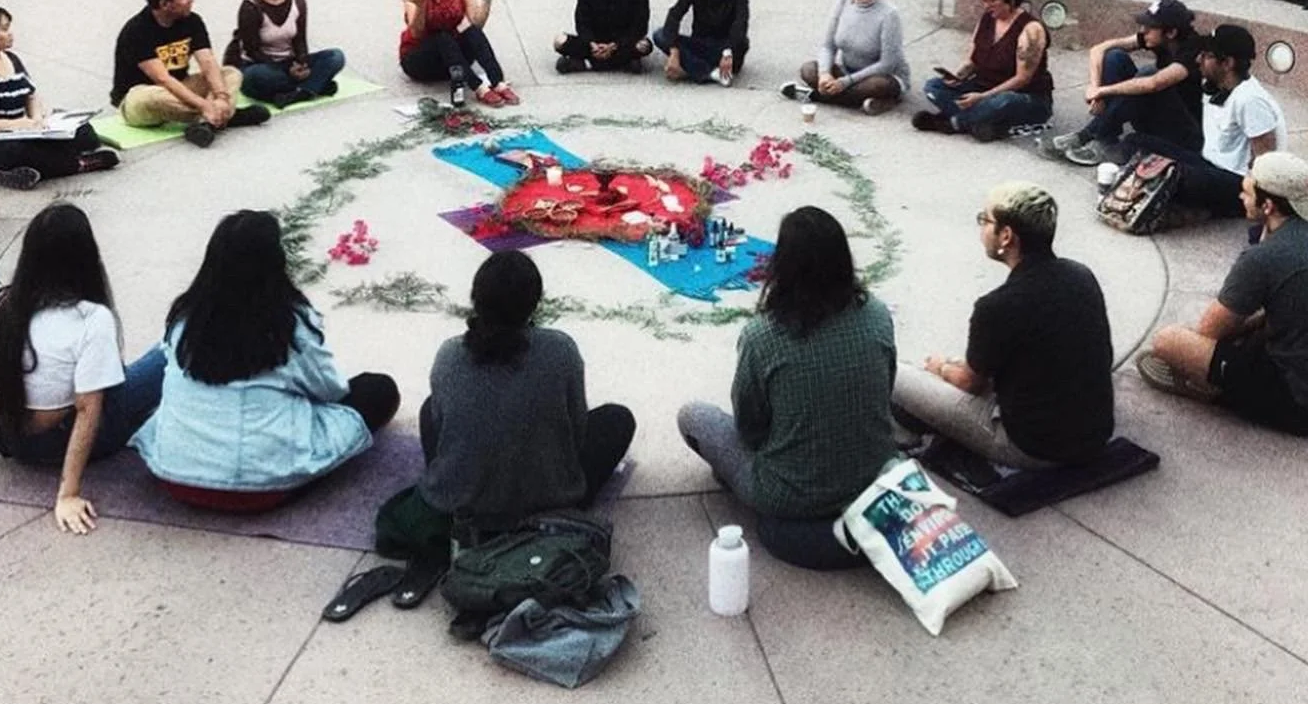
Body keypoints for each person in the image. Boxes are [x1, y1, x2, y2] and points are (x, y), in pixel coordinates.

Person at [677, 206, 899, 570]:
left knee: (695, 417)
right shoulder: (875, 313)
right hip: (872, 475)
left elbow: (749, 427)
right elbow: (885, 390)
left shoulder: (764, 336)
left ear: (783, 266)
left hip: (790, 494)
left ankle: (747, 488)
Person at [130, 211, 400, 511]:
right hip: (259, 488)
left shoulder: (184, 319)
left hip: (174, 474)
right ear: (276, 262)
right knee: (378, 390)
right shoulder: (289, 323)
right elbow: (331, 391)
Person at [893, 182, 1114, 468]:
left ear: (1006, 236)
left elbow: (970, 384)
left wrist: (941, 368)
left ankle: (903, 436)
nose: (981, 228)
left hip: (1033, 448)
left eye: (985, 220)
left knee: (897, 373)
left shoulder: (997, 306)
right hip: (1095, 432)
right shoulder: (1080, 275)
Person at [0, 204, 167, 535]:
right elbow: (87, 408)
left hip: (12, 438)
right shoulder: (90, 318)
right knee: (165, 354)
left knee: (110, 373)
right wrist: (67, 494)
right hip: (58, 440)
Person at [418, 251, 636, 530]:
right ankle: (549, 512)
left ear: (476, 299)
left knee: (430, 409)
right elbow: (577, 431)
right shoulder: (560, 349)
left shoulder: (449, 354)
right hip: (551, 501)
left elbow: (440, 423)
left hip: (460, 503)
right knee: (617, 420)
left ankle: (457, 481)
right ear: (535, 303)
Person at [1136, 153, 1308, 435]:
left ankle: (1215, 390)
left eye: (1246, 192)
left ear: (1268, 206)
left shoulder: (1263, 257)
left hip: (1296, 400)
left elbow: (1209, 330)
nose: (1240, 196)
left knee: (1169, 341)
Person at [1119, 23, 1285, 218]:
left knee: (1181, 177)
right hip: (1206, 160)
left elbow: (1265, 162)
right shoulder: (1214, 83)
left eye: (1206, 55)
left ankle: (1189, 201)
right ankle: (1168, 189)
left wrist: (1254, 203)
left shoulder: (1250, 100)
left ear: (1227, 63)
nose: (1198, 59)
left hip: (1234, 182)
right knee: (1133, 142)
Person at [0, 2, 117, 190]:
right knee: (20, 151)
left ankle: (54, 162)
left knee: (84, 132)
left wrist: (37, 119)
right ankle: (76, 164)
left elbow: (31, 95)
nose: (10, 34)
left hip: (24, 129)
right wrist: (10, 125)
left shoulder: (11, 59)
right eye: (4, 29)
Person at [110, 0, 271, 148]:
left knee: (230, 73)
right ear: (165, 4)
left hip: (181, 86)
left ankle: (210, 120)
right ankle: (225, 116)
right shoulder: (137, 31)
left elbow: (208, 62)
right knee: (149, 98)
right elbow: (162, 79)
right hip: (139, 98)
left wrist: (222, 96)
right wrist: (204, 105)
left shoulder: (192, 21)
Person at [1048, 0, 1203, 166]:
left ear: (1171, 32)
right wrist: (1094, 88)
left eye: (1150, 28)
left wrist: (1103, 91)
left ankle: (1088, 134)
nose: (1143, 31)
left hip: (1183, 129)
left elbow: (1154, 83)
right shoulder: (1157, 38)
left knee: (1146, 76)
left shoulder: (1194, 50)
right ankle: (1105, 138)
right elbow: (1099, 49)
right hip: (1156, 113)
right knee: (1114, 57)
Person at [914, 0, 1052, 140]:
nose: (986, 5)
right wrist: (957, 77)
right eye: (984, 0)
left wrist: (983, 97)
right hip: (982, 87)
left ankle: (953, 122)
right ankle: (980, 122)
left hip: (1021, 96)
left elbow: (1022, 79)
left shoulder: (1031, 30)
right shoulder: (987, 19)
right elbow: (973, 60)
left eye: (993, 0)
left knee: (1003, 101)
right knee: (934, 86)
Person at [781, 0, 910, 115]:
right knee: (808, 70)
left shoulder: (889, 14)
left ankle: (817, 96)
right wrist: (825, 74)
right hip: (847, 71)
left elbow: (888, 63)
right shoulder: (842, 2)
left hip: (880, 77)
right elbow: (828, 46)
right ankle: (861, 102)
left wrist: (845, 82)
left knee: (877, 86)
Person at [399, 0, 519, 108]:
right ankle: (479, 88)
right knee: (441, 37)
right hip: (420, 59)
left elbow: (477, 23)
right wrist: (421, 4)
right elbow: (416, 31)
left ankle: (498, 82)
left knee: (472, 32)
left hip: (453, 60)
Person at [225, 0, 346, 109]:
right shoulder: (250, 8)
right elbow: (252, 51)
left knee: (336, 57)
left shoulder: (298, 1)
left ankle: (299, 93)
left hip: (288, 63)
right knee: (256, 77)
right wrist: (290, 71)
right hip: (261, 65)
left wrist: (301, 63)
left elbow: (300, 40)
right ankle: (313, 86)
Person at [653, 0, 751, 85]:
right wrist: (674, 50)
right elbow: (675, 14)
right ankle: (711, 73)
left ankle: (692, 68)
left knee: (741, 42)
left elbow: (740, 24)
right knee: (660, 34)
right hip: (700, 44)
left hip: (725, 48)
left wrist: (728, 51)